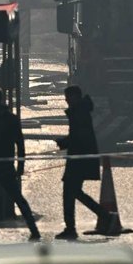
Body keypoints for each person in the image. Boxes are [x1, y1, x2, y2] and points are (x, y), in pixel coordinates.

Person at [0, 85, 40, 239]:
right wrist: (21, 164)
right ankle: (34, 229)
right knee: (18, 198)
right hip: (6, 165)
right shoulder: (11, 119)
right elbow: (20, 142)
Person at [56, 85, 107, 239]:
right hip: (80, 157)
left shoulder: (79, 113)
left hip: (79, 158)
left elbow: (80, 136)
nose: (66, 100)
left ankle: (72, 227)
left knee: (70, 192)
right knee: (74, 192)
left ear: (75, 97)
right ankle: (103, 215)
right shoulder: (80, 111)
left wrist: (64, 142)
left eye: (68, 97)